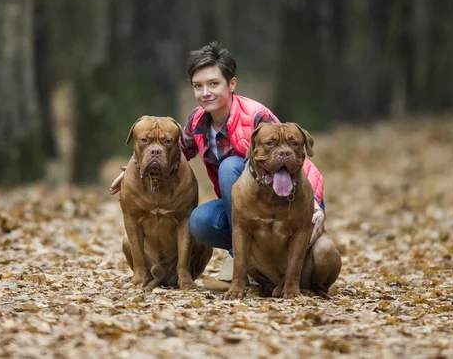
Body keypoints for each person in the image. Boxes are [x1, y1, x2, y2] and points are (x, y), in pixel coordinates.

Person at [110, 42, 326, 283]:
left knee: (229, 167)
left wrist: (316, 206)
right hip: (246, 206)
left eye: (214, 84)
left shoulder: (256, 116)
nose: (206, 92)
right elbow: (172, 149)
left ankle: (243, 262)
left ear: (231, 84)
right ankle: (249, 260)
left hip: (288, 198)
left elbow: (292, 154)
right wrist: (136, 166)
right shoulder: (197, 121)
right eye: (198, 86)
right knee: (200, 222)